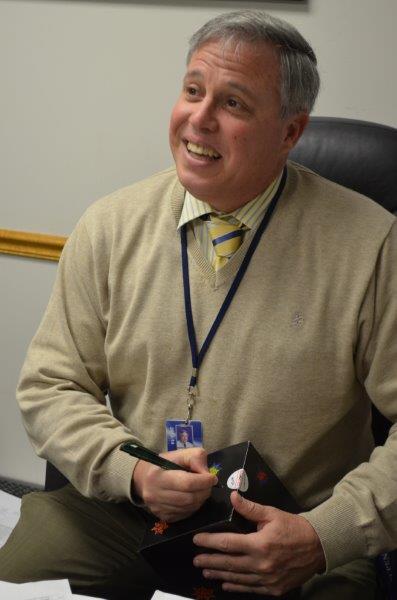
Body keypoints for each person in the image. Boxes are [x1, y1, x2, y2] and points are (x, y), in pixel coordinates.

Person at [0, 9, 396, 600]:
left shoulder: (371, 244)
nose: (198, 119)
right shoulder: (108, 225)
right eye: (192, 91)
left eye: (233, 103)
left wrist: (321, 536)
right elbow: (50, 385)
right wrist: (131, 470)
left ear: (290, 132)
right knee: (22, 575)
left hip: (290, 531)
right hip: (132, 515)